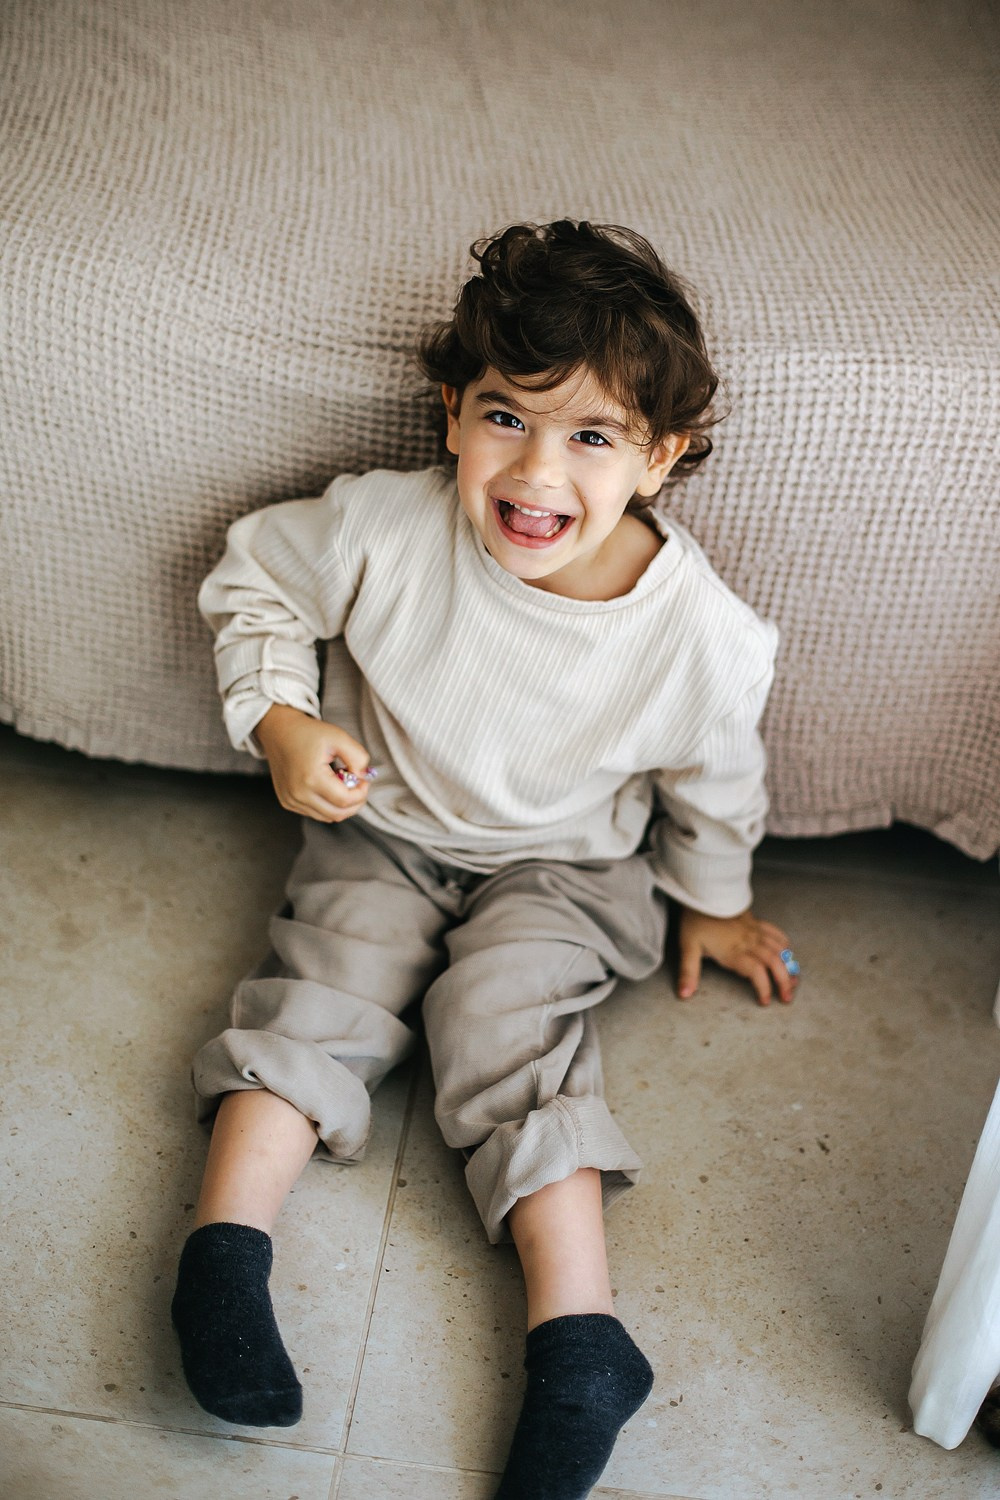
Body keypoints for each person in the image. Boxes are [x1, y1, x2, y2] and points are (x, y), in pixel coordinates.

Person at [171, 219, 799, 1499]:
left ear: (660, 459)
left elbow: (716, 778)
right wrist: (282, 716)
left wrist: (713, 902)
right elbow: (255, 584)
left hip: (565, 870)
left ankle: (581, 1342)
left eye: (591, 437)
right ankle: (222, 1254)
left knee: (504, 1026)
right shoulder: (384, 528)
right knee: (322, 986)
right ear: (453, 413)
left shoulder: (697, 636)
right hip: (386, 830)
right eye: (508, 417)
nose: (537, 474)